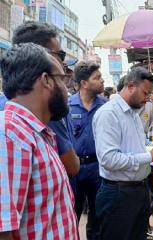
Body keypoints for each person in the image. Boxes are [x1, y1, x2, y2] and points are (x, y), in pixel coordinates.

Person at [0, 43, 78, 239]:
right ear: (46, 80)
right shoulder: (10, 134)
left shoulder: (38, 134)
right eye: (63, 78)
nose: (67, 89)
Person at [93, 67, 153, 240]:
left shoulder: (133, 112)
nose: (148, 98)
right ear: (131, 86)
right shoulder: (109, 114)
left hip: (137, 191)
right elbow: (108, 159)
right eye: (145, 93)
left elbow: (138, 144)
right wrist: (149, 156)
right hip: (118, 195)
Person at [0, 21, 80, 176]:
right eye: (60, 55)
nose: (63, 63)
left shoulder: (25, 115)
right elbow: (72, 166)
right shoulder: (11, 133)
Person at [67, 61, 106, 239]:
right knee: (71, 214)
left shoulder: (105, 106)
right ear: (84, 83)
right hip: (74, 168)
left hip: (98, 168)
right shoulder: (67, 106)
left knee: (97, 215)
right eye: (97, 78)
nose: (101, 80)